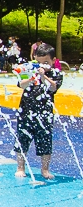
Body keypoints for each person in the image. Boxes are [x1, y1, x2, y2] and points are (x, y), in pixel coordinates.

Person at [14, 43, 63, 180]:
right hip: (26, 111)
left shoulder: (56, 73)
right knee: (22, 139)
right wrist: (30, 78)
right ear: (34, 58)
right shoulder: (29, 70)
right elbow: (21, 85)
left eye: (46, 62)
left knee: (46, 141)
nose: (42, 65)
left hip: (45, 113)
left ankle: (45, 169)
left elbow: (53, 88)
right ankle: (20, 167)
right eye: (39, 62)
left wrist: (43, 77)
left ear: (53, 61)